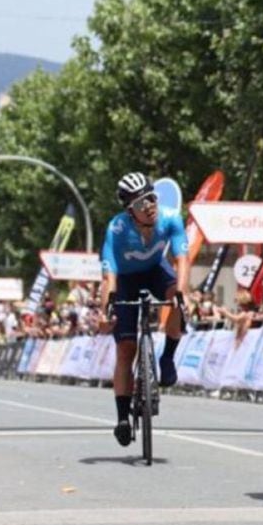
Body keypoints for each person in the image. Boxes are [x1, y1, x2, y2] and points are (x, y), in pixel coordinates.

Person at [98, 172, 190, 447]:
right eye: (141, 203)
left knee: (178, 296)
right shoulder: (116, 229)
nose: (150, 206)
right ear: (130, 211)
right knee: (126, 349)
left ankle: (167, 358)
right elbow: (108, 278)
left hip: (154, 271)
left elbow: (182, 260)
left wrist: (181, 295)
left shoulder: (171, 217)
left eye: (152, 198)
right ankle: (122, 417)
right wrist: (105, 313)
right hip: (124, 280)